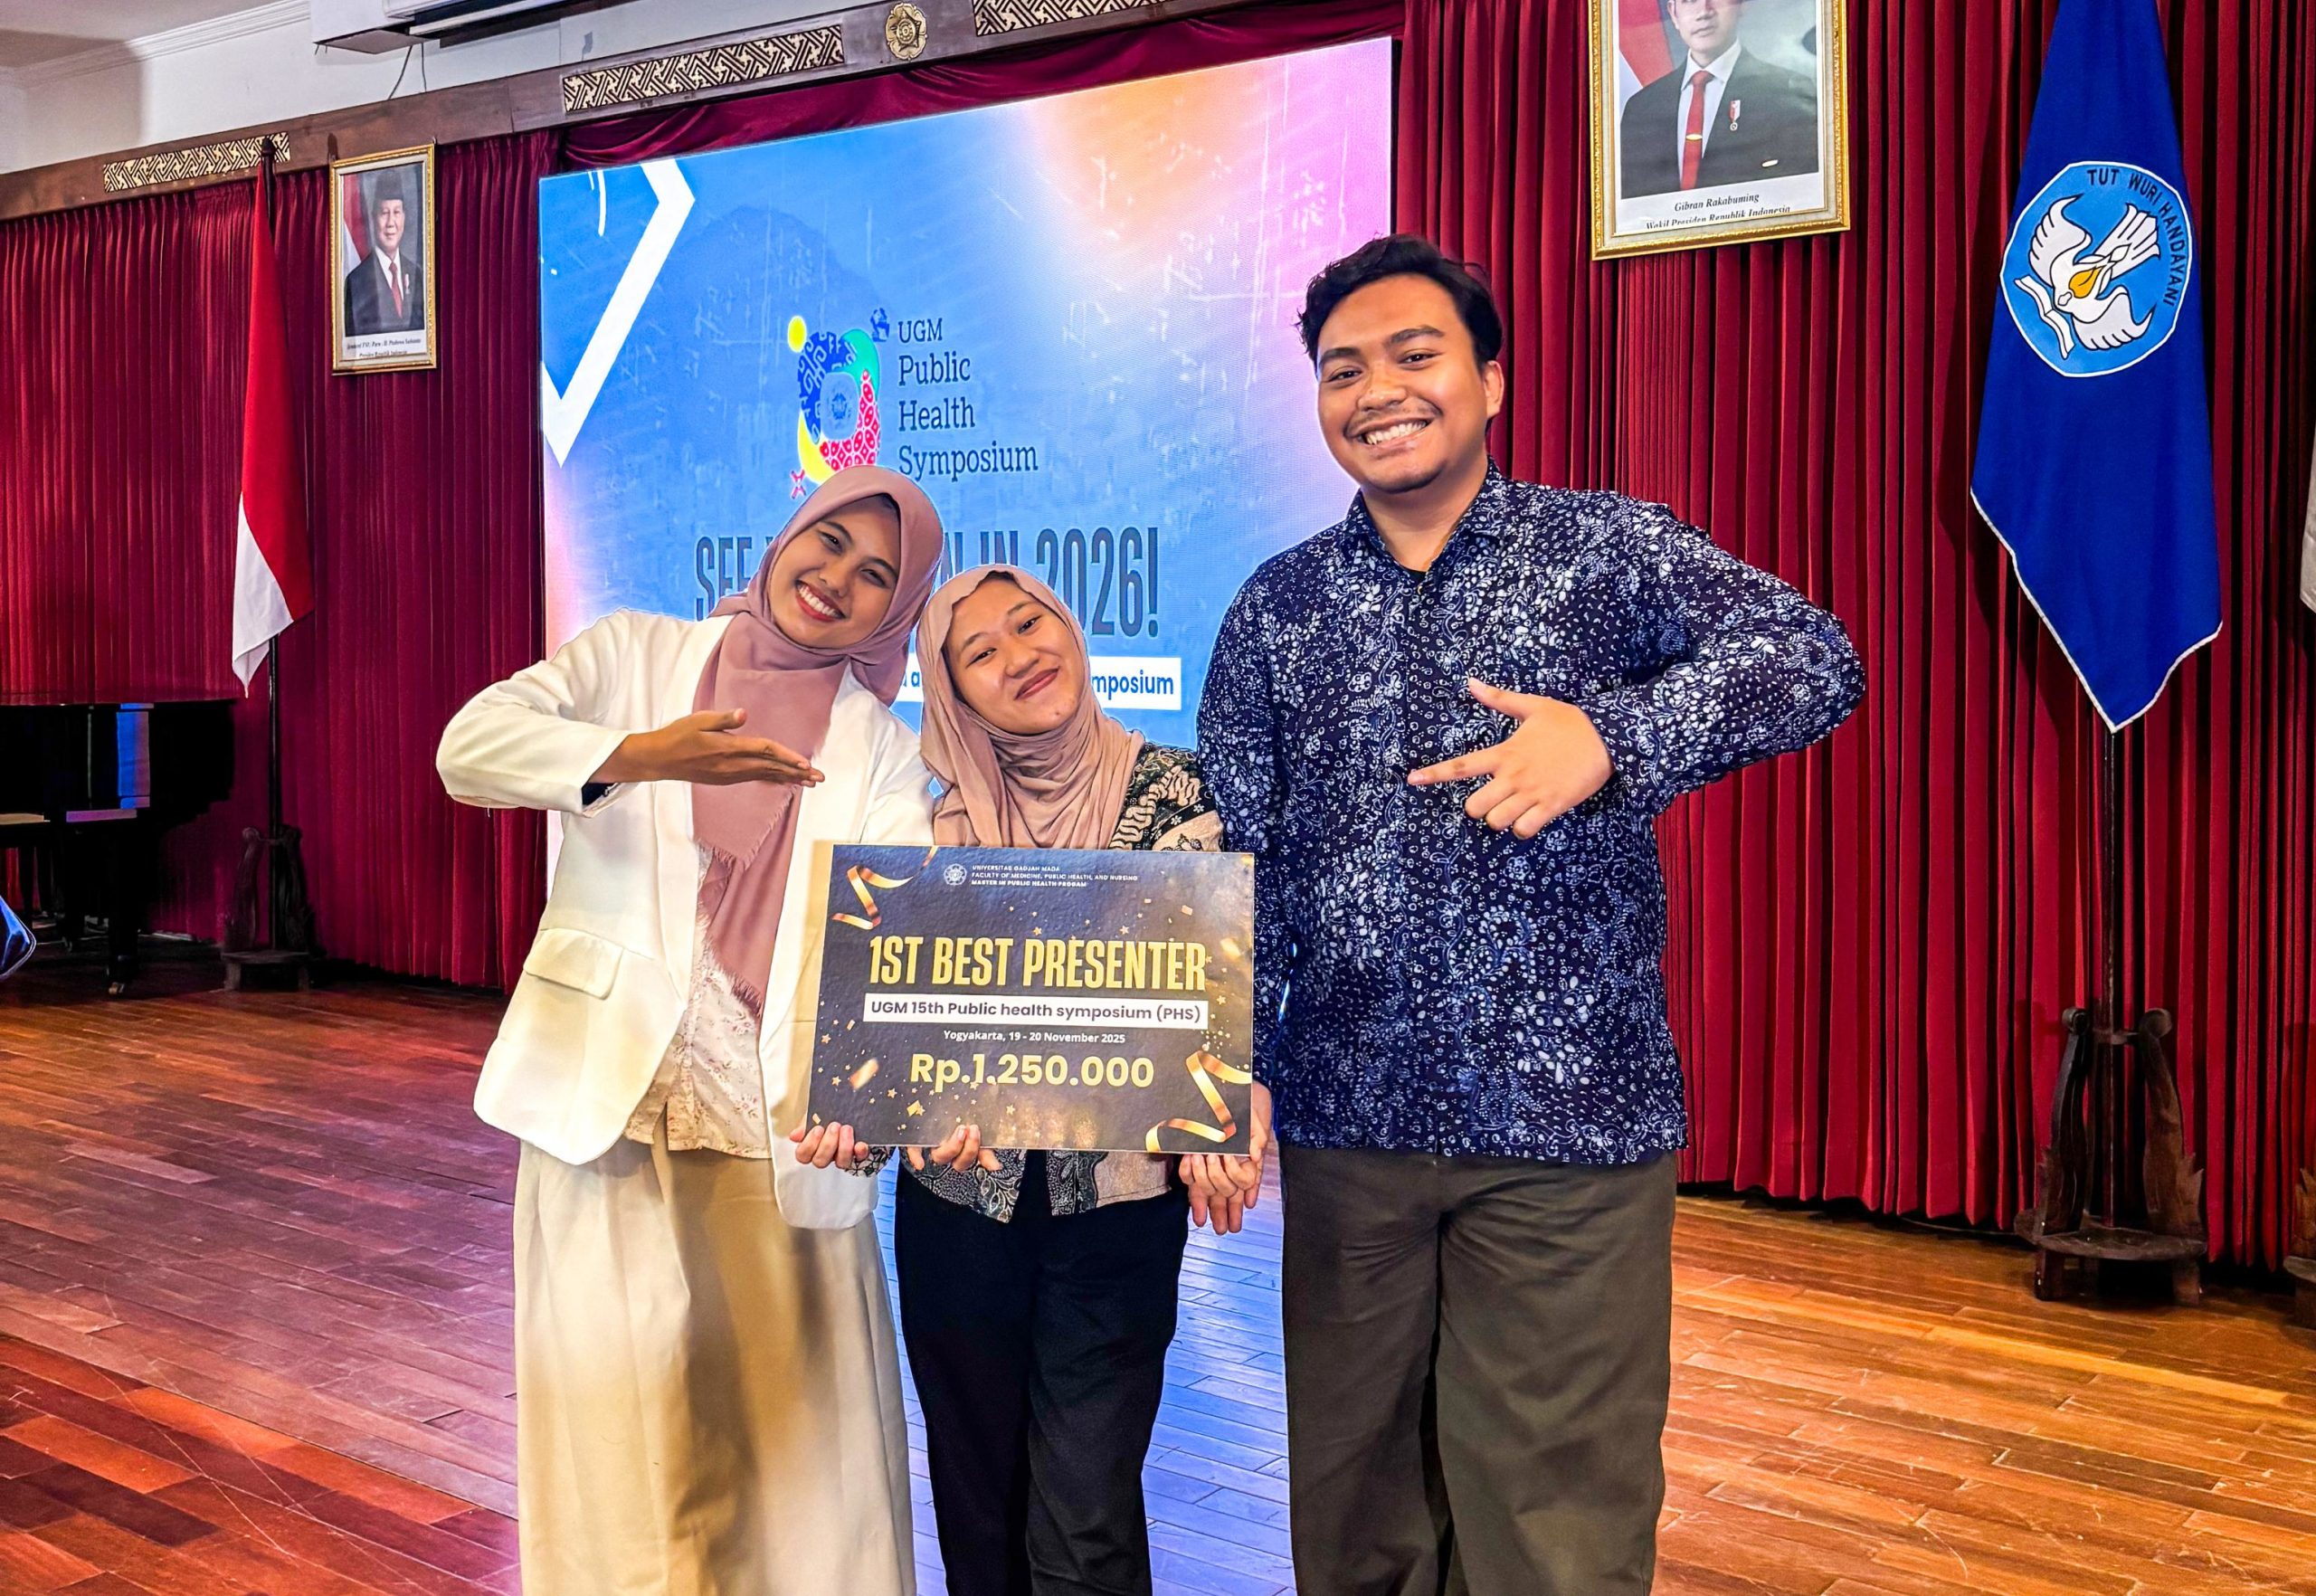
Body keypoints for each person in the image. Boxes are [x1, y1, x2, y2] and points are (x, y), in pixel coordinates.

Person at [1191, 234, 1863, 1595]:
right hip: (1346, 1132)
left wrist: (1614, 737)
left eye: (1415, 354)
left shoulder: (1600, 548)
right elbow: (1235, 856)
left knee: (1556, 1535)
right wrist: (1224, 1067)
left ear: (1490, 379)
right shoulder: (1277, 606)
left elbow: (1812, 656)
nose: (1379, 390)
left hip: (1568, 1134)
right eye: (1342, 370)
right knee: (1356, 1522)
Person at [435, 466, 944, 1596]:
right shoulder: (635, 654)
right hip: (602, 1100)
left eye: (876, 575)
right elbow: (468, 750)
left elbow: (890, 932)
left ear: (895, 610)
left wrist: (873, 1097)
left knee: (789, 1438)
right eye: (827, 543)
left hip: (776, 1124)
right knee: (614, 1417)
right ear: (787, 536)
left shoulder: (876, 745)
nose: (837, 580)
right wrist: (642, 755)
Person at [804, 565, 1234, 1596]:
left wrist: (1225, 1109)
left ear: (1073, 631)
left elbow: (1211, 997)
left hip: (1119, 1211)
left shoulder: (1178, 794)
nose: (1019, 658)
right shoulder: (923, 827)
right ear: (953, 692)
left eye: (1031, 625)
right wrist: (875, 1118)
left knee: (1087, 1508)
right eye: (979, 654)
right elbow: (880, 1038)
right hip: (960, 1209)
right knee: (977, 1496)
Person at [1618, 0, 1820, 197]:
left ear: (1741, 4)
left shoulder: (1789, 94)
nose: (1703, 12)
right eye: (1690, 1)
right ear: (1673, 13)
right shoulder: (1640, 108)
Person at [345, 175, 424, 335]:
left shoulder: (417, 275)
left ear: (404, 217)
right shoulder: (356, 281)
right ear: (374, 218)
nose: (390, 223)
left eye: (396, 212)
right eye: (384, 213)